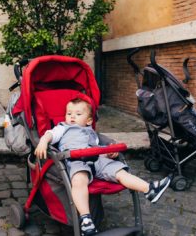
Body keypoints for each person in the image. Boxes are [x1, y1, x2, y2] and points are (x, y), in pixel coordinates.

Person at [35, 98, 171, 236]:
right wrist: (43, 142)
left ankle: (149, 189)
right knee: (78, 180)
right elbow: (50, 134)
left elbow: (101, 144)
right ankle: (86, 219)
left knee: (119, 172)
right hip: (76, 160)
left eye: (78, 114)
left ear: (88, 121)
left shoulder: (92, 132)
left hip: (99, 159)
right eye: (69, 113)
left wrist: (111, 150)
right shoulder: (63, 128)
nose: (72, 117)